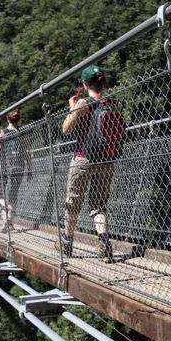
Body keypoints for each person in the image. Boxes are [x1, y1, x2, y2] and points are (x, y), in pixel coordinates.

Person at [57, 65, 123, 263]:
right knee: (98, 206)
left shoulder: (84, 103)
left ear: (84, 84)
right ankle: (105, 245)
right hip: (106, 160)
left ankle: (67, 243)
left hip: (83, 158)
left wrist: (72, 108)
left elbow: (66, 129)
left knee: (73, 203)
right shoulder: (110, 104)